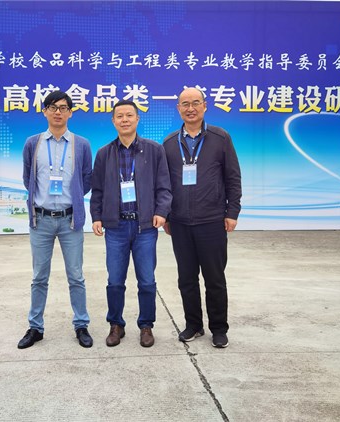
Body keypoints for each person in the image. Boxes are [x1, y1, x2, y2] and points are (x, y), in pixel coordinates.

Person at [162, 87, 242, 348]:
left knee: (215, 279)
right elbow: (164, 184)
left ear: (205, 106)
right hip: (180, 223)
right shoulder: (170, 143)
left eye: (195, 103)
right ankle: (193, 325)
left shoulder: (220, 138)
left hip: (212, 221)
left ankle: (219, 328)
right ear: (178, 109)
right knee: (186, 279)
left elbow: (232, 177)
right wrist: (167, 216)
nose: (190, 108)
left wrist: (232, 212)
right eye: (185, 104)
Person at [90, 100, 172, 348]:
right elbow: (97, 190)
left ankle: (146, 325)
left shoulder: (154, 150)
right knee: (115, 281)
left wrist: (161, 212)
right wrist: (97, 216)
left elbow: (164, 187)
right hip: (115, 228)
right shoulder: (104, 153)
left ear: (137, 119)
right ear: (113, 121)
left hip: (145, 227)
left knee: (146, 281)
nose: (124, 120)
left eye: (129, 115)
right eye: (119, 116)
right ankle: (116, 325)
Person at [19, 90, 94, 349]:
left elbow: (86, 179)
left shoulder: (81, 144)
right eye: (52, 107)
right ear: (44, 112)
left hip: (69, 220)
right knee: (39, 277)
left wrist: (72, 199)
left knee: (76, 276)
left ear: (70, 113)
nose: (58, 112)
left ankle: (81, 325)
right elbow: (28, 178)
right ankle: (35, 327)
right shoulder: (33, 143)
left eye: (63, 107)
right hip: (41, 220)